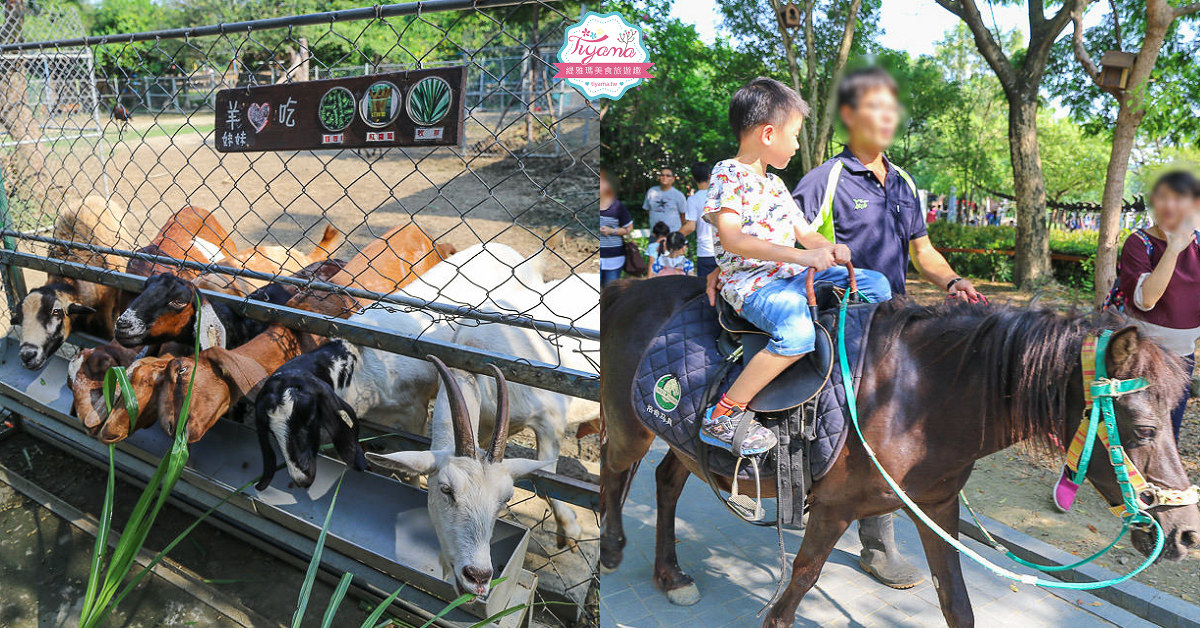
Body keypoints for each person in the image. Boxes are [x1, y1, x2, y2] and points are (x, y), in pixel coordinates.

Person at [787, 67, 981, 589]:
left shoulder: (904, 182)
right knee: (839, 414)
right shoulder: (826, 178)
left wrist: (952, 280)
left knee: (899, 428)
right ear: (850, 116)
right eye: (876, 108)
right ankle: (796, 484)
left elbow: (923, 252)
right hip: (842, 318)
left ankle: (877, 546)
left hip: (898, 326)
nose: (888, 118)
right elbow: (792, 236)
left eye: (892, 110)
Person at [700, 77, 892, 460]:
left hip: (790, 277)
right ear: (768, 134)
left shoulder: (776, 184)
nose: (798, 143)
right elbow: (734, 240)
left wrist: (831, 249)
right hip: (753, 283)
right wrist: (805, 258)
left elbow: (806, 234)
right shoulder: (728, 174)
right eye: (796, 134)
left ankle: (847, 367)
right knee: (796, 333)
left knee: (877, 285)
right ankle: (724, 414)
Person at [680, 162, 717, 278]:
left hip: (705, 252)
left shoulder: (693, 199)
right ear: (710, 176)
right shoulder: (721, 195)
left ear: (693, 178)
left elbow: (690, 227)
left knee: (705, 289)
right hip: (725, 250)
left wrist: (674, 236)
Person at [599, 169, 633, 287]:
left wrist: (611, 231)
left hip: (613, 258)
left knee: (610, 292)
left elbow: (629, 228)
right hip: (592, 260)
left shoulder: (617, 206)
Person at [643, 167, 687, 232]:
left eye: (668, 176)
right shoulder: (651, 191)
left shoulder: (678, 195)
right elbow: (647, 210)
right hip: (655, 234)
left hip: (672, 233)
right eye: (662, 175)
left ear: (673, 179)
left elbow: (684, 214)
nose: (664, 177)